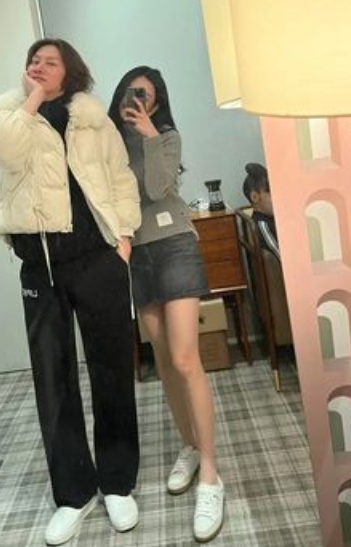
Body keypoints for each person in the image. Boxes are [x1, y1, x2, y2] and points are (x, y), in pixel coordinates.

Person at [0, 38, 141, 546]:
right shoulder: (9, 113)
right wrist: (30, 99)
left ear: (71, 71)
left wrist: (124, 238)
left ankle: (117, 483)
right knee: (52, 377)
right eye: (34, 61)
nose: (40, 67)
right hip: (40, 267)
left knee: (112, 369)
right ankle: (73, 494)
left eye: (51, 62)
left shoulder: (92, 118)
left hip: (98, 259)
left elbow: (119, 177)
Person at [108, 66, 225, 542]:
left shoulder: (167, 137)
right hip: (136, 255)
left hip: (174, 244)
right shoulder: (109, 144)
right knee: (162, 360)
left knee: (184, 358)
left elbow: (157, 189)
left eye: (146, 95)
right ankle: (190, 446)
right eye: (130, 91)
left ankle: (211, 474)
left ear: (155, 104)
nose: (136, 98)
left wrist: (151, 136)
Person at [242, 162, 280, 260]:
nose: (278, 197)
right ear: (255, 197)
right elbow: (284, 259)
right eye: (271, 192)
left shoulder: (271, 218)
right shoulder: (263, 226)